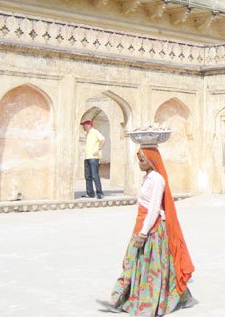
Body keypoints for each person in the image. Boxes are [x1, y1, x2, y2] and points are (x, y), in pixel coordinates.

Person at [98, 146, 195, 315]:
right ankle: (118, 298)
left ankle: (140, 302)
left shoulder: (157, 179)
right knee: (133, 262)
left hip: (152, 229)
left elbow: (154, 209)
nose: (139, 163)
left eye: (142, 160)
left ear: (152, 160)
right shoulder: (148, 177)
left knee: (151, 267)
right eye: (139, 160)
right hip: (142, 225)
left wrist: (143, 233)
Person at [80, 120, 106, 199]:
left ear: (88, 125)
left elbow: (103, 139)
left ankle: (99, 193)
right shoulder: (88, 134)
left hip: (94, 158)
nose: (83, 127)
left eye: (84, 125)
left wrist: (99, 149)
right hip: (87, 157)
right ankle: (90, 193)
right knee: (88, 176)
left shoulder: (95, 132)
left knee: (95, 175)